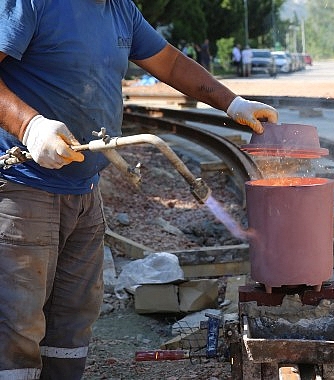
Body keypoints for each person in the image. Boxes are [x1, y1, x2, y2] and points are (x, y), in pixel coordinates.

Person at [0, 1, 278, 379]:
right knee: (17, 326)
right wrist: (29, 126)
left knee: (72, 320)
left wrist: (231, 102)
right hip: (23, 191)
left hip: (84, 191)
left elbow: (170, 63)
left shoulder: (119, 9)